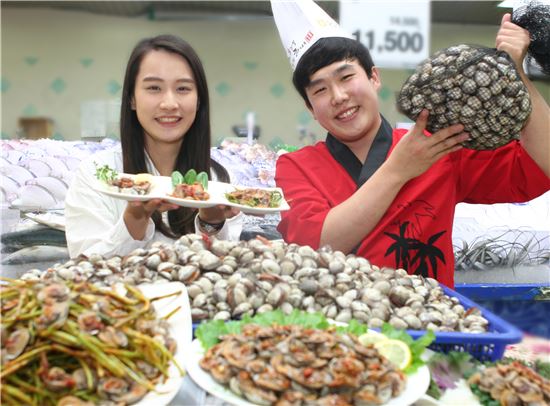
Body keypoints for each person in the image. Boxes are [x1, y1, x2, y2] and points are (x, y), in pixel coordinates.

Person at [271, 0, 550, 288]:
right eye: (320, 89)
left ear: (373, 77)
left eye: (346, 77)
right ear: (310, 109)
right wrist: (398, 170)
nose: (338, 96)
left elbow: (545, 162)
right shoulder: (295, 167)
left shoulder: (438, 147)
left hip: (432, 323)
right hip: (340, 327)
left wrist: (516, 76)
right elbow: (316, 245)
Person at [65, 35, 242, 258]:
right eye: (154, 88)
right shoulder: (97, 175)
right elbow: (82, 269)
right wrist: (133, 221)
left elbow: (226, 270)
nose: (169, 103)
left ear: (199, 101)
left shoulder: (219, 182)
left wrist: (212, 222)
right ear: (131, 99)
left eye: (183, 89)